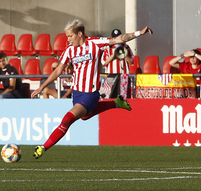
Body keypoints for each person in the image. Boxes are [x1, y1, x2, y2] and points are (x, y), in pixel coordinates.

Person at [31, 19, 153, 158]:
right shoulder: (70, 50)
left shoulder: (95, 43)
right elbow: (58, 71)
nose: (68, 39)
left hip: (90, 94)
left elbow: (118, 39)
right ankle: (115, 103)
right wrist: (42, 87)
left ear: (80, 34)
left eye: (70, 36)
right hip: (77, 93)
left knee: (68, 118)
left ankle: (43, 147)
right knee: (84, 117)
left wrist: (139, 33)